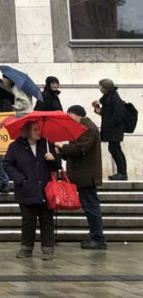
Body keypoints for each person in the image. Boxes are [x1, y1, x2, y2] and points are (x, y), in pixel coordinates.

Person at [3, 121, 61, 260]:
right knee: (28, 220)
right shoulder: (15, 147)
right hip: (26, 189)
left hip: (45, 190)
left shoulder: (47, 144)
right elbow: (7, 165)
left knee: (46, 220)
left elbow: (57, 166)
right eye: (35, 129)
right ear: (27, 131)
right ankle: (26, 248)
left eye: (39, 129)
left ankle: (47, 249)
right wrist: (20, 179)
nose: (38, 132)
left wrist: (53, 159)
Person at [59, 105, 106, 250]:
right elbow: (76, 150)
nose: (68, 118)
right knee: (89, 206)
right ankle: (95, 236)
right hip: (83, 175)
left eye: (69, 115)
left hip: (86, 176)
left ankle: (98, 238)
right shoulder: (82, 127)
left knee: (91, 207)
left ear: (75, 115)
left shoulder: (88, 128)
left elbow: (80, 149)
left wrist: (62, 147)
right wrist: (63, 151)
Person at [93, 78, 127, 181]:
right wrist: (99, 110)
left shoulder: (114, 98)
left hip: (114, 130)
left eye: (100, 86)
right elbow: (108, 113)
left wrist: (110, 124)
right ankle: (121, 173)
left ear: (105, 87)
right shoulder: (109, 97)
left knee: (115, 149)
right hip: (112, 129)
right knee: (114, 149)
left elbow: (119, 113)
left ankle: (122, 173)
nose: (99, 88)